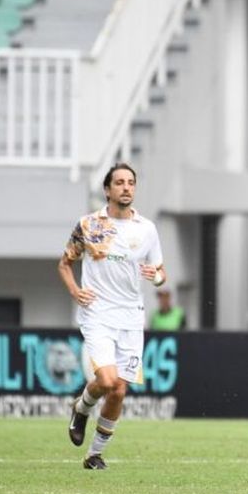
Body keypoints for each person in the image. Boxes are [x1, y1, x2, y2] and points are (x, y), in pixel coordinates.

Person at [58, 163, 167, 470]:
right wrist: (75, 290)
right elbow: (65, 264)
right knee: (106, 380)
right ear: (107, 190)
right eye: (119, 182)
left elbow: (161, 272)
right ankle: (80, 409)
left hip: (132, 317)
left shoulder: (146, 228)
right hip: (98, 313)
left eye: (130, 182)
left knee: (119, 389)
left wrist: (155, 278)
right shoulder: (90, 225)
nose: (126, 187)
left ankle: (94, 455)